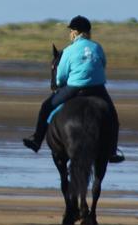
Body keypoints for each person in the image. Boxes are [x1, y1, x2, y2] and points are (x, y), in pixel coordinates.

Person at [23, 15, 124, 162]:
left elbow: (61, 75)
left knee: (46, 107)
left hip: (75, 88)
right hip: (98, 89)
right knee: (113, 117)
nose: (70, 33)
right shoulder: (97, 47)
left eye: (70, 31)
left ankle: (37, 140)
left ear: (75, 32)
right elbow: (102, 64)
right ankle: (113, 151)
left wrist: (60, 83)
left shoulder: (69, 50)